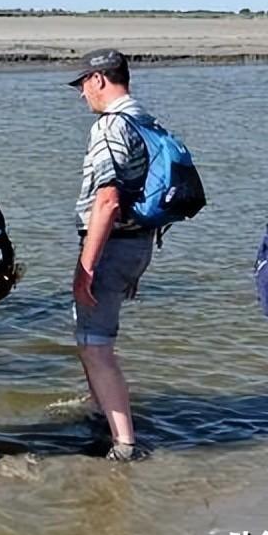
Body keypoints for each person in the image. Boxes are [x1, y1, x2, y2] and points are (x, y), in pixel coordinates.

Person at [68, 49, 154, 462]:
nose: (82, 93)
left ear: (99, 79)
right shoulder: (144, 120)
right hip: (138, 243)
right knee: (95, 337)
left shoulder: (110, 126)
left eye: (83, 84)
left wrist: (85, 267)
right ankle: (99, 413)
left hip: (112, 244)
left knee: (95, 345)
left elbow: (107, 201)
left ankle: (124, 443)